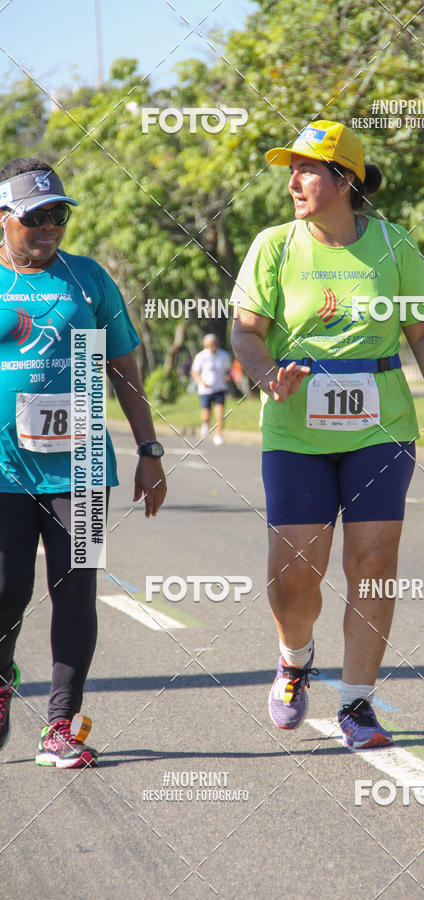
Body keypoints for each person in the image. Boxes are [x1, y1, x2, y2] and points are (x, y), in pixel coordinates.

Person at [231, 121, 424, 748]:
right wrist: (267, 377)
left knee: (373, 565)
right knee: (294, 575)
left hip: (381, 428)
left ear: (345, 180)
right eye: (292, 170)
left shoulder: (395, 246)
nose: (294, 182)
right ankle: (295, 659)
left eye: (308, 170)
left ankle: (357, 704)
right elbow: (246, 332)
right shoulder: (273, 246)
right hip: (295, 432)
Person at [0, 158, 167, 768]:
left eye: (58, 216)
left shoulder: (88, 280)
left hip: (83, 466)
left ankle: (61, 724)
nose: (48, 227)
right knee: (5, 590)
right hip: (3, 468)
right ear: (3, 219)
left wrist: (149, 450)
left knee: (75, 590)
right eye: (34, 217)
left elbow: (123, 369)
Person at [191, 333, 232, 445]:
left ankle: (218, 435)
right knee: (206, 414)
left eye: (213, 345)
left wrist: (227, 377)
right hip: (205, 390)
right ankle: (205, 424)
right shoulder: (201, 356)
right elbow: (194, 372)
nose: (211, 347)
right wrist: (201, 382)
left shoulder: (224, 355)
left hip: (219, 388)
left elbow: (228, 370)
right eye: (208, 345)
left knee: (220, 413)